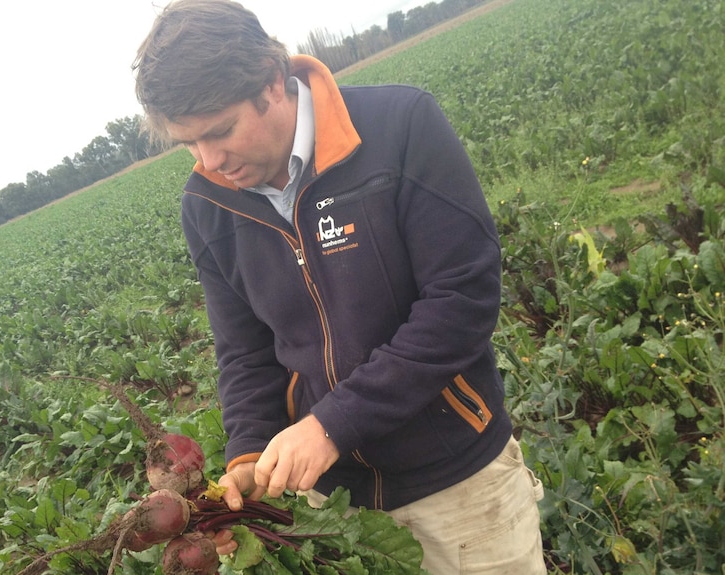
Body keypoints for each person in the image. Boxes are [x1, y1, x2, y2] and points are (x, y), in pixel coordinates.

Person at [132, 1, 547, 572]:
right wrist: (249, 455)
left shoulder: (399, 125)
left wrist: (333, 424)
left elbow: (462, 299)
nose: (209, 160)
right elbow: (246, 355)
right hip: (334, 507)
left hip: (458, 483)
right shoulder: (206, 205)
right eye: (189, 144)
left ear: (272, 83)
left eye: (220, 131)